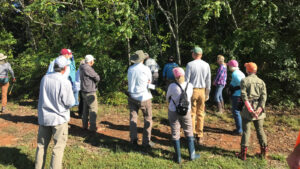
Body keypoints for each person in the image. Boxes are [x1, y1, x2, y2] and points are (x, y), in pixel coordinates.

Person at [35, 56, 75, 169]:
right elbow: (70, 102)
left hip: (44, 117)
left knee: (41, 146)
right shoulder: (64, 82)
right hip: (59, 119)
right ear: (64, 68)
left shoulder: (45, 78)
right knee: (58, 148)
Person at [166, 67, 200, 163]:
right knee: (189, 131)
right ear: (184, 75)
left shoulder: (172, 86)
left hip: (173, 111)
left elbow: (167, 97)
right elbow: (190, 97)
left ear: (175, 76)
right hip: (186, 111)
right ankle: (192, 155)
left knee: (175, 132)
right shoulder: (190, 85)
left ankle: (178, 157)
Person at [236, 62, 267, 160]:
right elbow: (264, 98)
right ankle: (264, 153)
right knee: (260, 130)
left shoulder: (244, 81)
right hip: (259, 110)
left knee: (246, 131)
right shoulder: (261, 82)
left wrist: (251, 110)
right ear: (256, 70)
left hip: (247, 109)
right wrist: (258, 110)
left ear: (247, 70)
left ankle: (243, 154)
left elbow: (244, 97)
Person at [127, 50, 155, 148]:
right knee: (148, 118)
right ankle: (146, 141)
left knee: (133, 118)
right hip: (144, 96)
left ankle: (133, 139)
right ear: (142, 59)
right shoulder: (145, 69)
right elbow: (150, 81)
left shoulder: (130, 69)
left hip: (132, 96)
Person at [185, 46, 211, 145]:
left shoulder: (190, 65)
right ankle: (199, 135)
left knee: (192, 113)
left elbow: (186, 80)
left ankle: (191, 134)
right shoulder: (206, 65)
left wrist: (185, 93)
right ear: (201, 55)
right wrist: (207, 93)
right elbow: (208, 80)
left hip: (192, 90)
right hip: (202, 90)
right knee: (201, 113)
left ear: (194, 54)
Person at [80, 55, 100, 132]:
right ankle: (92, 127)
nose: (93, 62)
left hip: (84, 91)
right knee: (93, 109)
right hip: (90, 91)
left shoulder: (81, 67)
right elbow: (97, 78)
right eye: (93, 61)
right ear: (90, 61)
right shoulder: (88, 68)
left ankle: (84, 125)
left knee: (85, 110)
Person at [227, 60, 245, 135]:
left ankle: (239, 130)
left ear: (231, 66)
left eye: (229, 66)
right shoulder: (240, 72)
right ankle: (240, 128)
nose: (228, 67)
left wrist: (234, 89)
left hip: (237, 95)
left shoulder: (235, 73)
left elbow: (242, 84)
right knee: (238, 112)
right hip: (240, 95)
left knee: (236, 112)